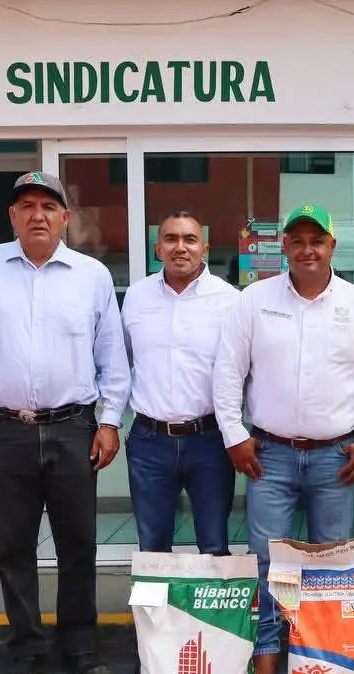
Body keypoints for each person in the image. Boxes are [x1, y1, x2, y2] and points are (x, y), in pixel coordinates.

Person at [0, 171, 129, 674]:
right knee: (10, 546)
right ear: (13, 217)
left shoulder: (90, 275)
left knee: (78, 545)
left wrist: (110, 420)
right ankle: (25, 648)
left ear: (66, 218)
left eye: (49, 206)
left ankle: (80, 646)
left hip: (73, 428)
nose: (38, 215)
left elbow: (111, 355)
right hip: (4, 431)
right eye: (26, 206)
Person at [212, 203, 354, 674]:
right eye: (297, 240)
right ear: (284, 247)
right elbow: (229, 371)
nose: (307, 249)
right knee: (268, 558)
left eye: (317, 240)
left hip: (337, 457)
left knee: (328, 559)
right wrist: (234, 435)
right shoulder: (254, 300)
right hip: (268, 454)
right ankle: (268, 647)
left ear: (331, 246)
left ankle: (319, 649)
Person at [122, 211, 239, 557]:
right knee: (153, 547)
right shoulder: (137, 296)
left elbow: (243, 369)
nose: (180, 247)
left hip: (210, 439)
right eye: (171, 239)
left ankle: (211, 613)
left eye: (189, 239)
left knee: (214, 543)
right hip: (149, 441)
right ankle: (156, 613)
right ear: (157, 248)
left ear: (205, 248)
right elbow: (122, 360)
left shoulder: (229, 300)